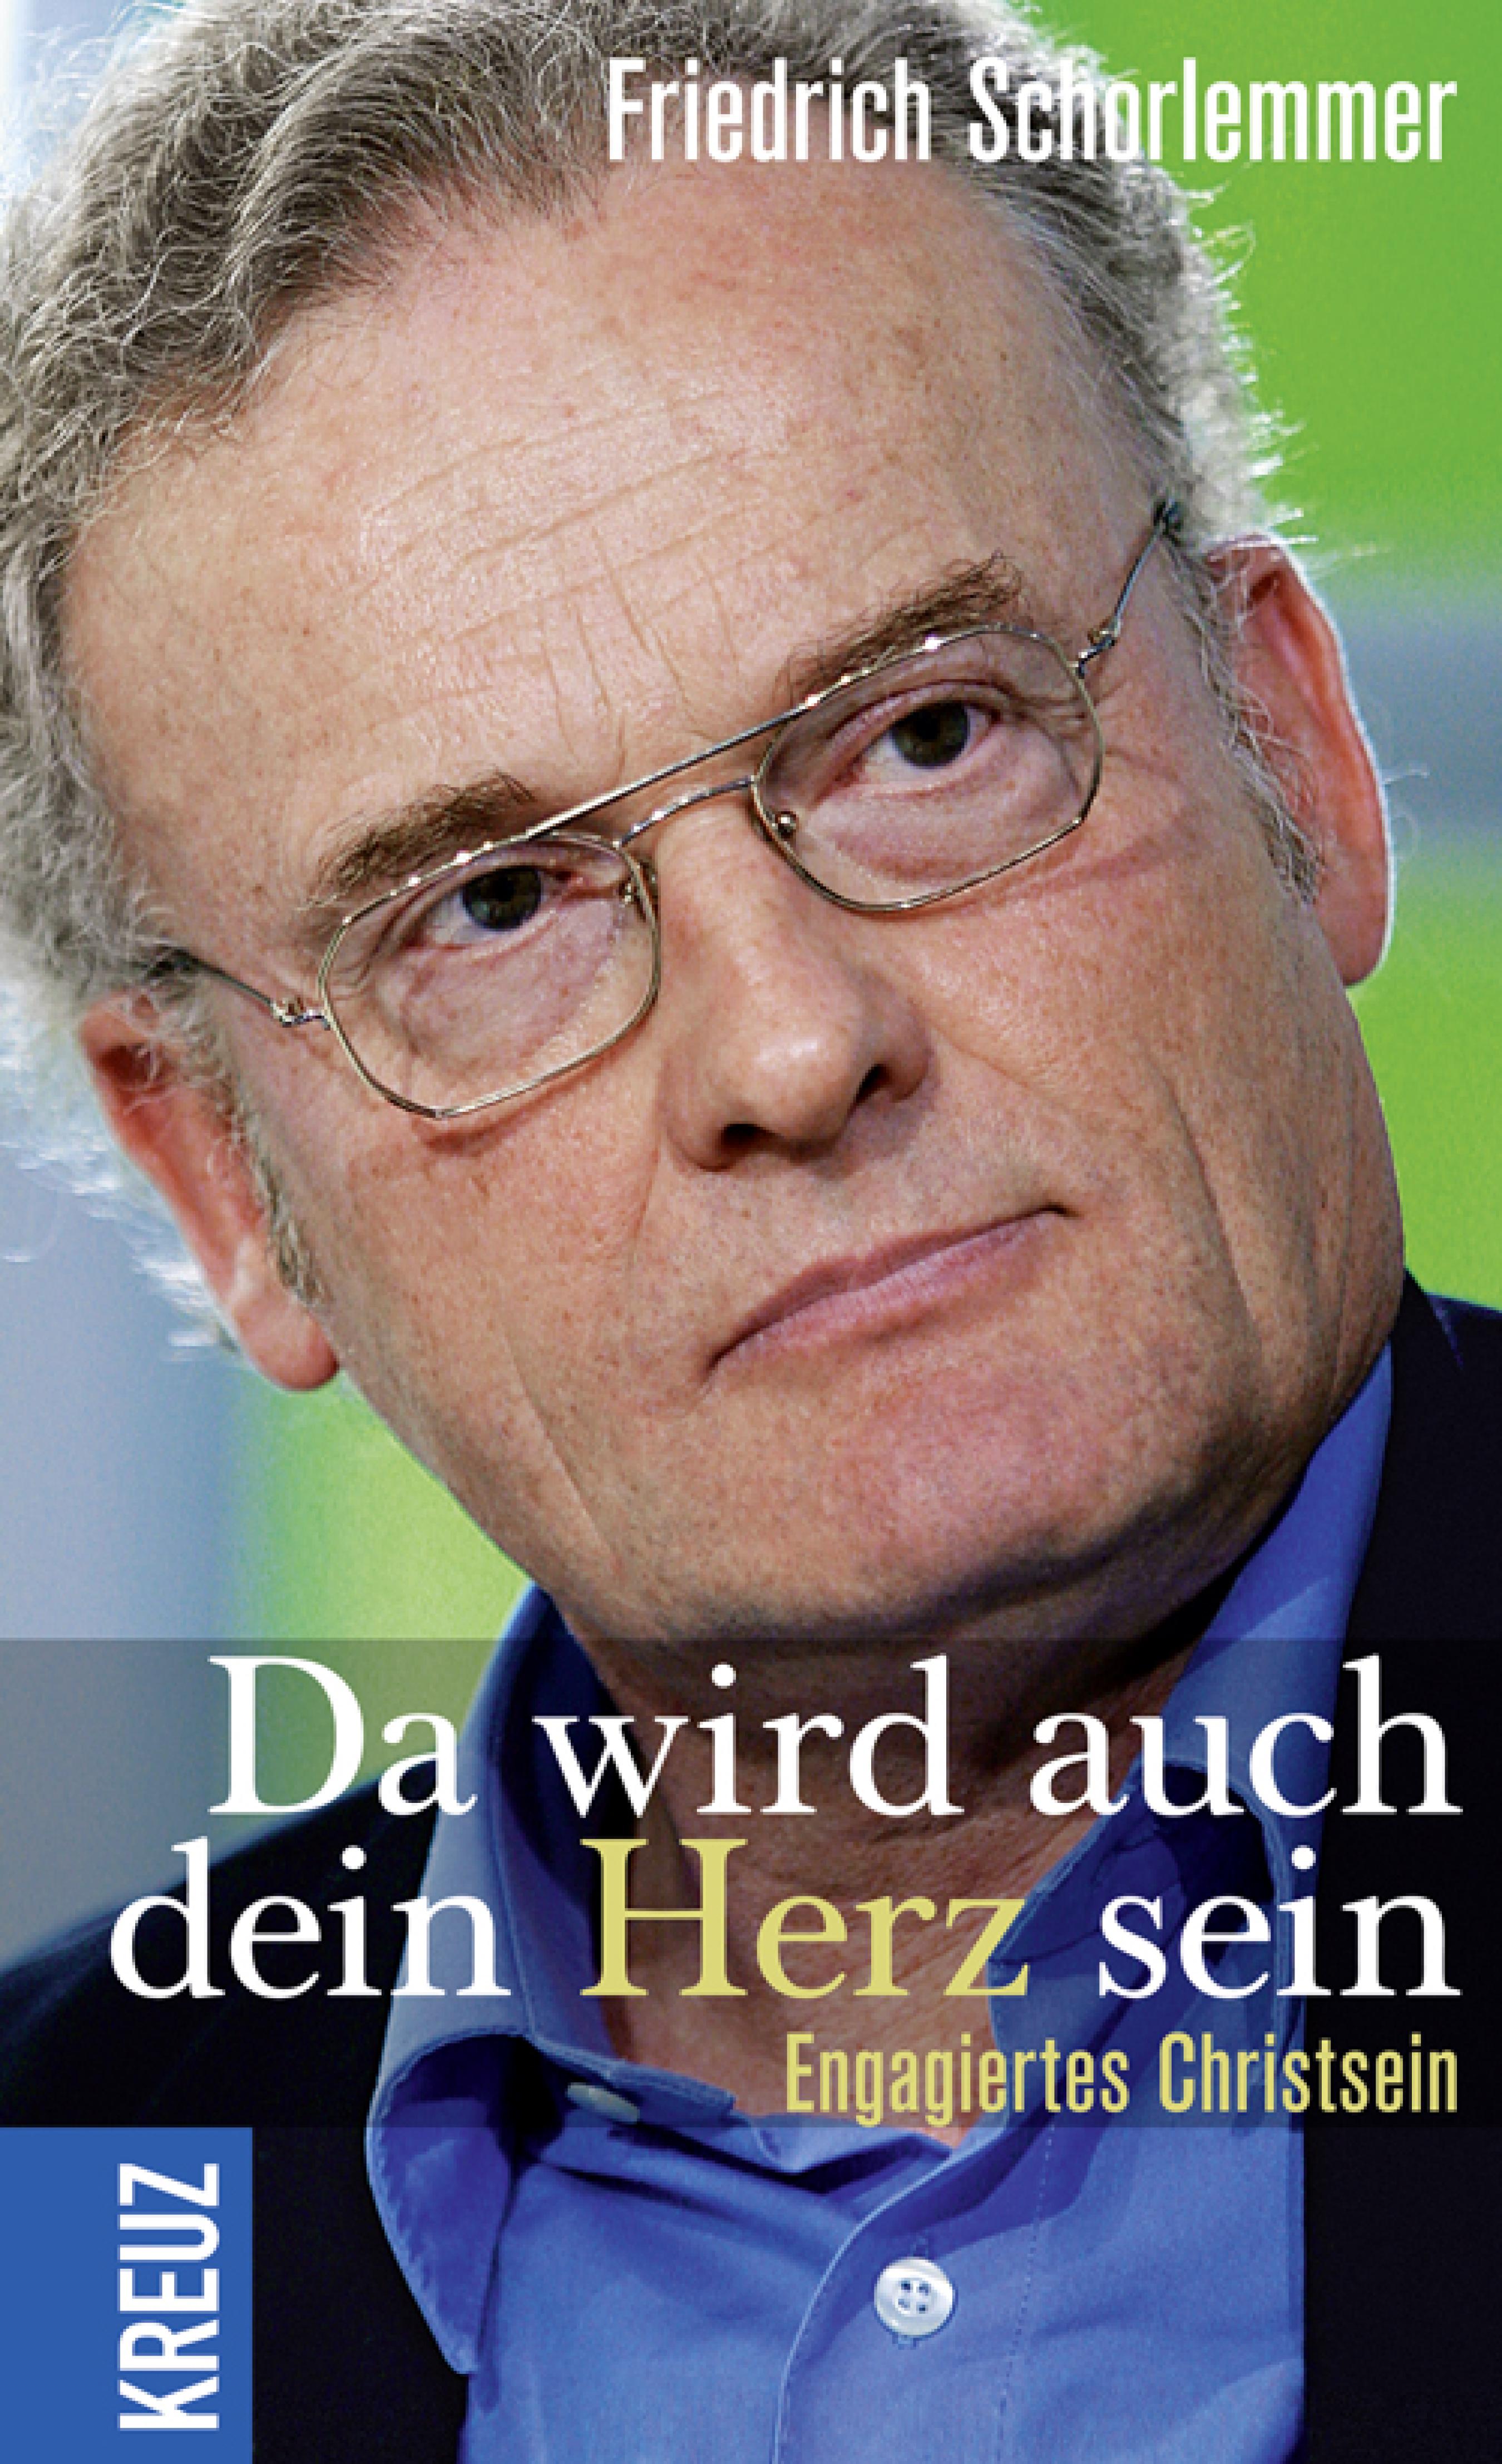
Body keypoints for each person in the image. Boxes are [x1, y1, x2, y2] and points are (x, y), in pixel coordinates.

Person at [0, 3, 1497, 2459]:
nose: (793, 1048)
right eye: (492, 906)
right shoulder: (69, 2207)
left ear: (1297, 762)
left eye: (928, 734)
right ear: (223, 1183)